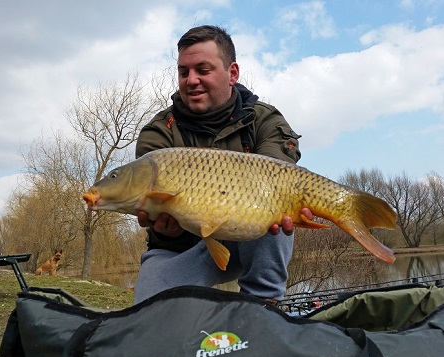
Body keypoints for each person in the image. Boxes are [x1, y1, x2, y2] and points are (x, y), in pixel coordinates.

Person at [134, 25, 313, 304]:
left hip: (246, 239)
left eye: (202, 70)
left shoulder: (265, 121)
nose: (191, 80)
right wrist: (165, 225)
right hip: (181, 248)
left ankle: (263, 304)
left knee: (272, 203)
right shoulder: (158, 133)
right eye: (184, 72)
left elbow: (281, 181)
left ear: (232, 74)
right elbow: (152, 208)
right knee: (152, 316)